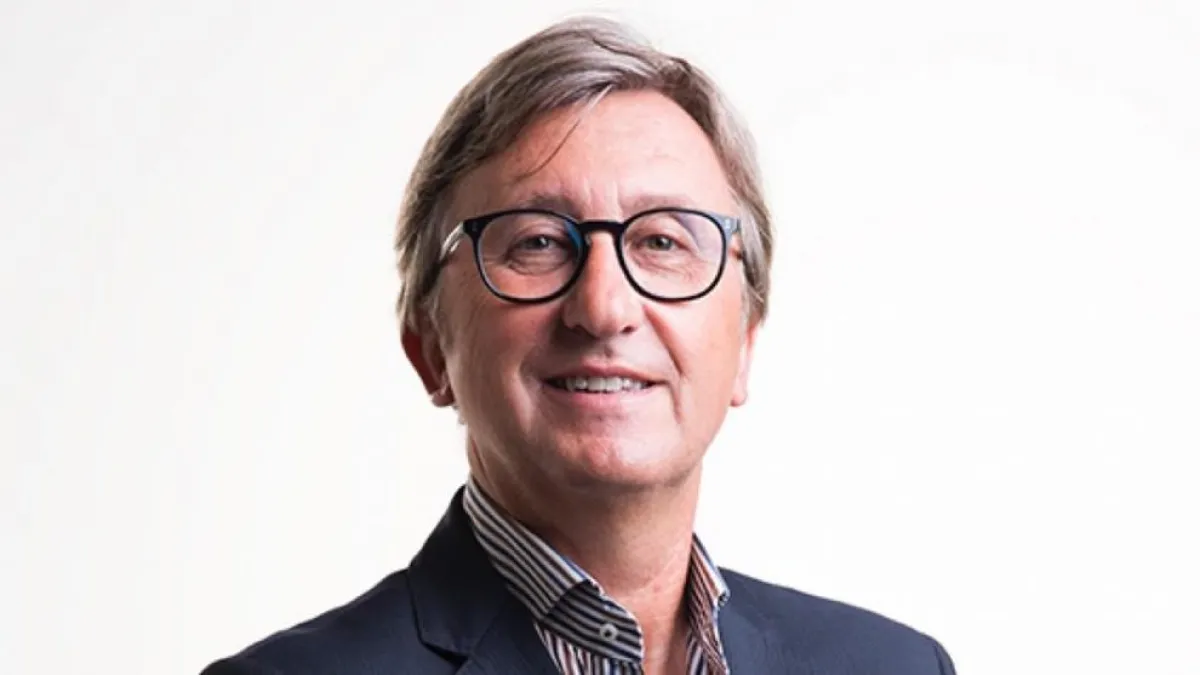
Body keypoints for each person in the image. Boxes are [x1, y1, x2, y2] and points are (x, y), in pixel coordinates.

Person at [201, 15, 956, 675]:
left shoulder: (896, 667)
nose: (603, 307)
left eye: (663, 241)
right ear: (428, 346)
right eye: (536, 242)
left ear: (746, 342)